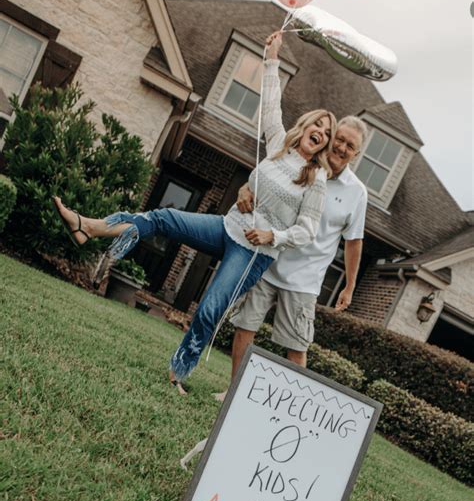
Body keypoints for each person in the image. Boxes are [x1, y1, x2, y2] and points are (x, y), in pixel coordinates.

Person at [52, 32, 337, 394]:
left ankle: (179, 373)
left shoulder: (317, 178)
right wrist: (271, 58)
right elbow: (270, 105)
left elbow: (308, 231)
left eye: (327, 135)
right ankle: (90, 227)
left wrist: (272, 237)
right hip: (226, 226)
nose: (321, 135)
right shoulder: (280, 145)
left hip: (253, 253)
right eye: (319, 127)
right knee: (163, 218)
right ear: (307, 125)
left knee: (208, 310)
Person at [215, 115, 368, 399]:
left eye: (350, 145)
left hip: (305, 281)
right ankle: (233, 393)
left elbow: (353, 242)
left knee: (296, 347)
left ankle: (285, 408)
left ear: (356, 154)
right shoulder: (304, 164)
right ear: (331, 137)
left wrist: (349, 285)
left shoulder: (357, 192)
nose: (342, 147)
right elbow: (268, 179)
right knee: (244, 325)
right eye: (340, 139)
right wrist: (246, 188)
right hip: (267, 260)